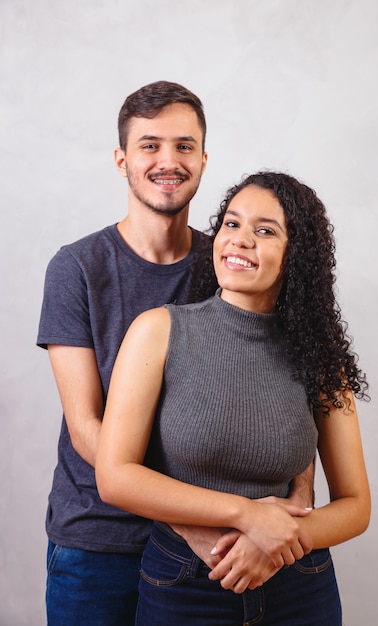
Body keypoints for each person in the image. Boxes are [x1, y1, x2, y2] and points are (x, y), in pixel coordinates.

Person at [37, 82, 313, 626]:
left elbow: (282, 385)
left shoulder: (232, 259)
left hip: (214, 553)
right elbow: (85, 423)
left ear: (205, 160)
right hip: (102, 542)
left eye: (184, 146)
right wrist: (189, 523)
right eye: (149, 145)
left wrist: (294, 502)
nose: (169, 160)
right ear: (122, 160)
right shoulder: (77, 269)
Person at [96, 171, 371, 626]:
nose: (240, 240)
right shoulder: (158, 331)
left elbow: (355, 504)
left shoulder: (321, 358)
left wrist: (279, 541)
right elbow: (116, 476)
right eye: (231, 223)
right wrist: (247, 516)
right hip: (184, 584)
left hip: (298, 583)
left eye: (265, 231)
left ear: (295, 256)